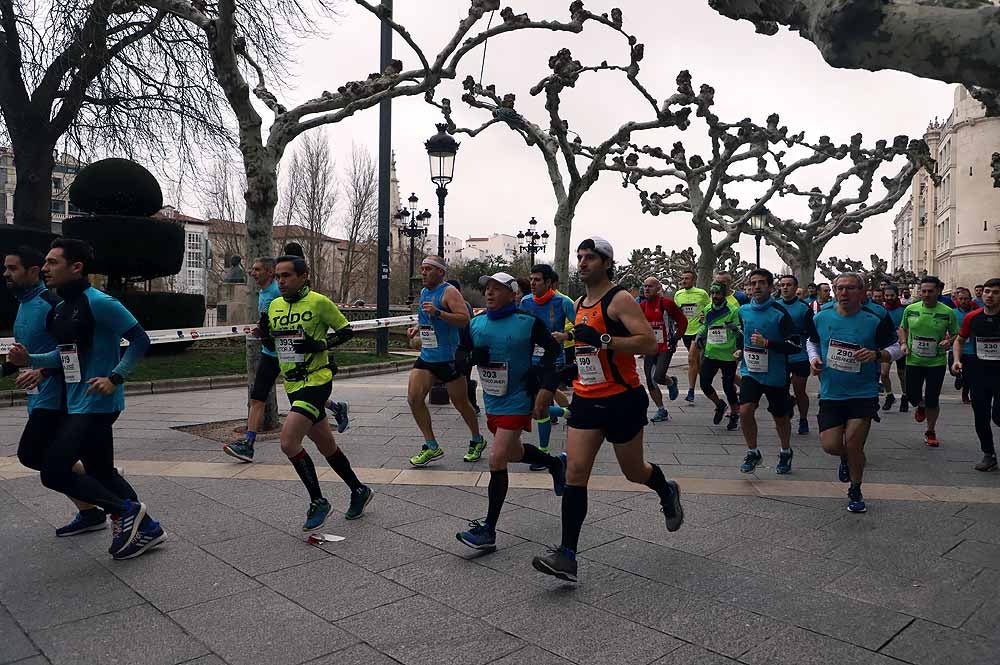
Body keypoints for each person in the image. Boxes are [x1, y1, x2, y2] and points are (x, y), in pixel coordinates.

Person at [532, 237, 683, 583]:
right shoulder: (582, 302)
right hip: (586, 399)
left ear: (606, 263)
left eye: (590, 258)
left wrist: (603, 339)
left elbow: (647, 343)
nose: (582, 263)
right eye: (580, 257)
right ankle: (567, 555)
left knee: (633, 471)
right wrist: (567, 355)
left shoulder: (620, 299)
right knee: (575, 473)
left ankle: (665, 489)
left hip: (622, 400)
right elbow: (587, 349)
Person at [8, 238, 164, 560]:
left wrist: (115, 377)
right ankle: (147, 527)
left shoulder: (100, 302)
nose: (46, 268)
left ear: (76, 267)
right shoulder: (63, 308)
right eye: (46, 262)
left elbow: (139, 339)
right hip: (78, 401)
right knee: (101, 471)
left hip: (98, 403)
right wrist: (32, 360)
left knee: (53, 471)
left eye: (53, 263)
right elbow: (64, 355)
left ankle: (125, 511)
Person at [455, 272, 568, 550]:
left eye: (497, 288)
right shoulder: (476, 323)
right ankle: (555, 463)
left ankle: (489, 531)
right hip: (493, 400)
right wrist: (470, 358)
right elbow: (459, 358)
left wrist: (540, 376)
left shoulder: (527, 323)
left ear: (513, 294)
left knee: (496, 458)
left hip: (520, 397)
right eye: (487, 289)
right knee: (514, 453)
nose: (489, 293)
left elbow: (554, 351)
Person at [259, 255, 370, 529]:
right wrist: (264, 335)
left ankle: (318, 501)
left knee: (288, 442)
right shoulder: (273, 306)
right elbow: (276, 348)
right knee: (326, 446)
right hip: (293, 384)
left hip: (317, 381)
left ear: (303, 275)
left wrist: (319, 345)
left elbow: (346, 332)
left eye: (286, 276)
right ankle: (359, 490)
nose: (281, 281)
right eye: (278, 276)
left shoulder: (319, 302)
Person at [4, 247, 106, 536]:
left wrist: (44, 371)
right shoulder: (25, 303)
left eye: (12, 268)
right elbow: (31, 353)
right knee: (48, 458)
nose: (6, 274)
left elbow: (72, 351)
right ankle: (92, 508)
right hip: (38, 396)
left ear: (32, 271)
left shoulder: (53, 303)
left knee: (33, 455)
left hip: (58, 395)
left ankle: (110, 497)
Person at [806, 273, 901, 513]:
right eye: (840, 288)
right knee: (831, 445)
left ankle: (856, 489)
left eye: (850, 288)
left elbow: (897, 347)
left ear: (861, 292)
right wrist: (814, 358)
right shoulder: (821, 317)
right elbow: (812, 342)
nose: (844, 293)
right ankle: (847, 459)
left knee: (853, 443)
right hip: (831, 392)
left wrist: (877, 355)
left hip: (863, 392)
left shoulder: (875, 318)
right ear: (834, 291)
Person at [406, 256, 485, 465]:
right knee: (414, 398)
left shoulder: (449, 292)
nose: (423, 273)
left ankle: (477, 439)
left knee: (461, 403)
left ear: (440, 272)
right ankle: (431, 445)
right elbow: (426, 317)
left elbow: (464, 319)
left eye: (428, 269)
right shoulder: (424, 292)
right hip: (427, 356)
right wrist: (417, 326)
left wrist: (439, 312)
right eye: (422, 269)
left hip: (448, 358)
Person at [735, 269, 798, 475]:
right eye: (753, 283)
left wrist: (768, 343)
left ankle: (785, 451)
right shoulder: (743, 311)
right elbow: (744, 333)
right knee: (744, 411)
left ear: (771, 287)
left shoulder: (780, 313)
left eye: (761, 283)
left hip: (775, 374)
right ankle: (753, 452)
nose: (756, 287)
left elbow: (794, 345)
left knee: (780, 417)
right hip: (751, 371)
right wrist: (740, 348)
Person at [519, 264, 573, 468]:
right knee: (535, 408)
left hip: (553, 361)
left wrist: (566, 335)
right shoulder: (525, 301)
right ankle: (569, 413)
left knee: (540, 407)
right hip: (530, 360)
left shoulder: (563, 302)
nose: (532, 283)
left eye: (537, 280)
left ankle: (543, 453)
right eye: (531, 279)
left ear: (549, 282)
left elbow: (582, 327)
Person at [899, 276, 959, 447]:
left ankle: (930, 431)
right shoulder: (910, 309)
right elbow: (903, 328)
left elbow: (956, 333)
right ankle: (920, 405)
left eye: (930, 291)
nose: (926, 294)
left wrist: (949, 341)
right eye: (923, 291)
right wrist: (903, 343)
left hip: (936, 362)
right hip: (914, 360)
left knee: (933, 398)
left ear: (938, 291)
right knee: (911, 395)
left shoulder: (947, 312)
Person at [952, 278, 1000, 472]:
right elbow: (959, 340)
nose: (989, 295)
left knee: (998, 416)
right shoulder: (972, 317)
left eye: (995, 292)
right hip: (979, 371)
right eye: (987, 291)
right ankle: (989, 454)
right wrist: (957, 359)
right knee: (981, 415)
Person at [638, 276, 687, 422]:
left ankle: (671, 382)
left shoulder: (667, 303)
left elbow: (682, 321)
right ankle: (661, 410)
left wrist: (676, 337)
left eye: (650, 286)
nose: (646, 289)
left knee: (658, 376)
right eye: (645, 286)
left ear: (658, 288)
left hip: (666, 346)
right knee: (649, 380)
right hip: (650, 347)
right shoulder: (642, 306)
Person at [697, 282, 741, 431]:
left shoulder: (733, 310)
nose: (715, 296)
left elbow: (740, 329)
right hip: (711, 353)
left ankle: (735, 412)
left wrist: (734, 328)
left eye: (718, 293)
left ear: (724, 294)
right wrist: (699, 335)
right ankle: (719, 405)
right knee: (704, 383)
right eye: (713, 293)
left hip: (728, 355)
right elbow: (706, 325)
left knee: (728, 387)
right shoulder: (708, 308)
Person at [778, 275, 813, 435]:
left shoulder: (804, 308)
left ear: (795, 287)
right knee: (781, 391)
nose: (785, 288)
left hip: (800, 355)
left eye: (789, 285)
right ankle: (786, 411)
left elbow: (812, 333)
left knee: (799, 390)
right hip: (781, 356)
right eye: (782, 285)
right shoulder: (775, 306)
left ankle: (803, 419)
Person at [673, 270, 710, 402]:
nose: (683, 281)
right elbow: (676, 312)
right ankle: (707, 382)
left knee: (690, 359)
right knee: (696, 362)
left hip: (699, 330)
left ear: (693, 280)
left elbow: (710, 308)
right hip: (686, 331)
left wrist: (705, 316)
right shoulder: (678, 294)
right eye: (682, 279)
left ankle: (691, 391)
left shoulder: (702, 293)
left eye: (687, 279)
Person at [446, 279, 481, 415]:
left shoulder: (464, 306)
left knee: (464, 377)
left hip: (462, 347)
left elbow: (470, 325)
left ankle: (472, 404)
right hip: (450, 347)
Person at [881, 284, 909, 412]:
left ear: (897, 295)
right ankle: (889, 395)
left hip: (902, 345)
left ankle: (905, 396)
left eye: (891, 295)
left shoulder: (905, 309)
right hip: (887, 345)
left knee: (902, 374)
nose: (889, 298)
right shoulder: (881, 310)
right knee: (884, 373)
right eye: (887, 295)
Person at [950, 287, 976, 404]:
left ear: (970, 299)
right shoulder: (952, 313)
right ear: (957, 300)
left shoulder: (975, 314)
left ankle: (965, 393)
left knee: (969, 374)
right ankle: (958, 376)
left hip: (971, 349)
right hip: (955, 348)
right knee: (953, 370)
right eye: (961, 299)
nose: (963, 301)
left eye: (966, 299)